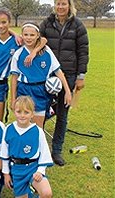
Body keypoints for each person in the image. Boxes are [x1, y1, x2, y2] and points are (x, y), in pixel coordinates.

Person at [39, 0, 89, 166]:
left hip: (68, 75)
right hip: (46, 75)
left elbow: (83, 52)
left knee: (63, 114)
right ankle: (37, 146)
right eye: (58, 3)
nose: (60, 7)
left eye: (63, 4)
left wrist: (81, 76)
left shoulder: (78, 25)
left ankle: (56, 150)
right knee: (40, 112)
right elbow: (32, 40)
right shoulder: (46, 23)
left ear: (69, 6)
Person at [0, 8, 46, 122]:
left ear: (9, 23)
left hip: (0, 85)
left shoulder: (17, 42)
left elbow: (43, 40)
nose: (0, 26)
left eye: (4, 22)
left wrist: (34, 52)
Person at [10, 21, 72, 129]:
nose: (28, 38)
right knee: (23, 125)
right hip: (24, 91)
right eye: (26, 35)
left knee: (38, 128)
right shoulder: (18, 54)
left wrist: (67, 91)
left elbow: (58, 72)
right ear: (22, 35)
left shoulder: (46, 51)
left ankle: (38, 145)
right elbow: (14, 78)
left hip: (41, 92)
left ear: (37, 35)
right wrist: (12, 99)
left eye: (32, 35)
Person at [0, 96, 53, 198]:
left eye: (26, 112)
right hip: (16, 170)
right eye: (19, 112)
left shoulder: (38, 131)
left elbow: (44, 153)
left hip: (33, 168)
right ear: (14, 112)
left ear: (32, 114)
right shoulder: (8, 129)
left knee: (46, 193)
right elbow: (4, 154)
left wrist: (40, 171)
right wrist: (6, 173)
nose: (22, 115)